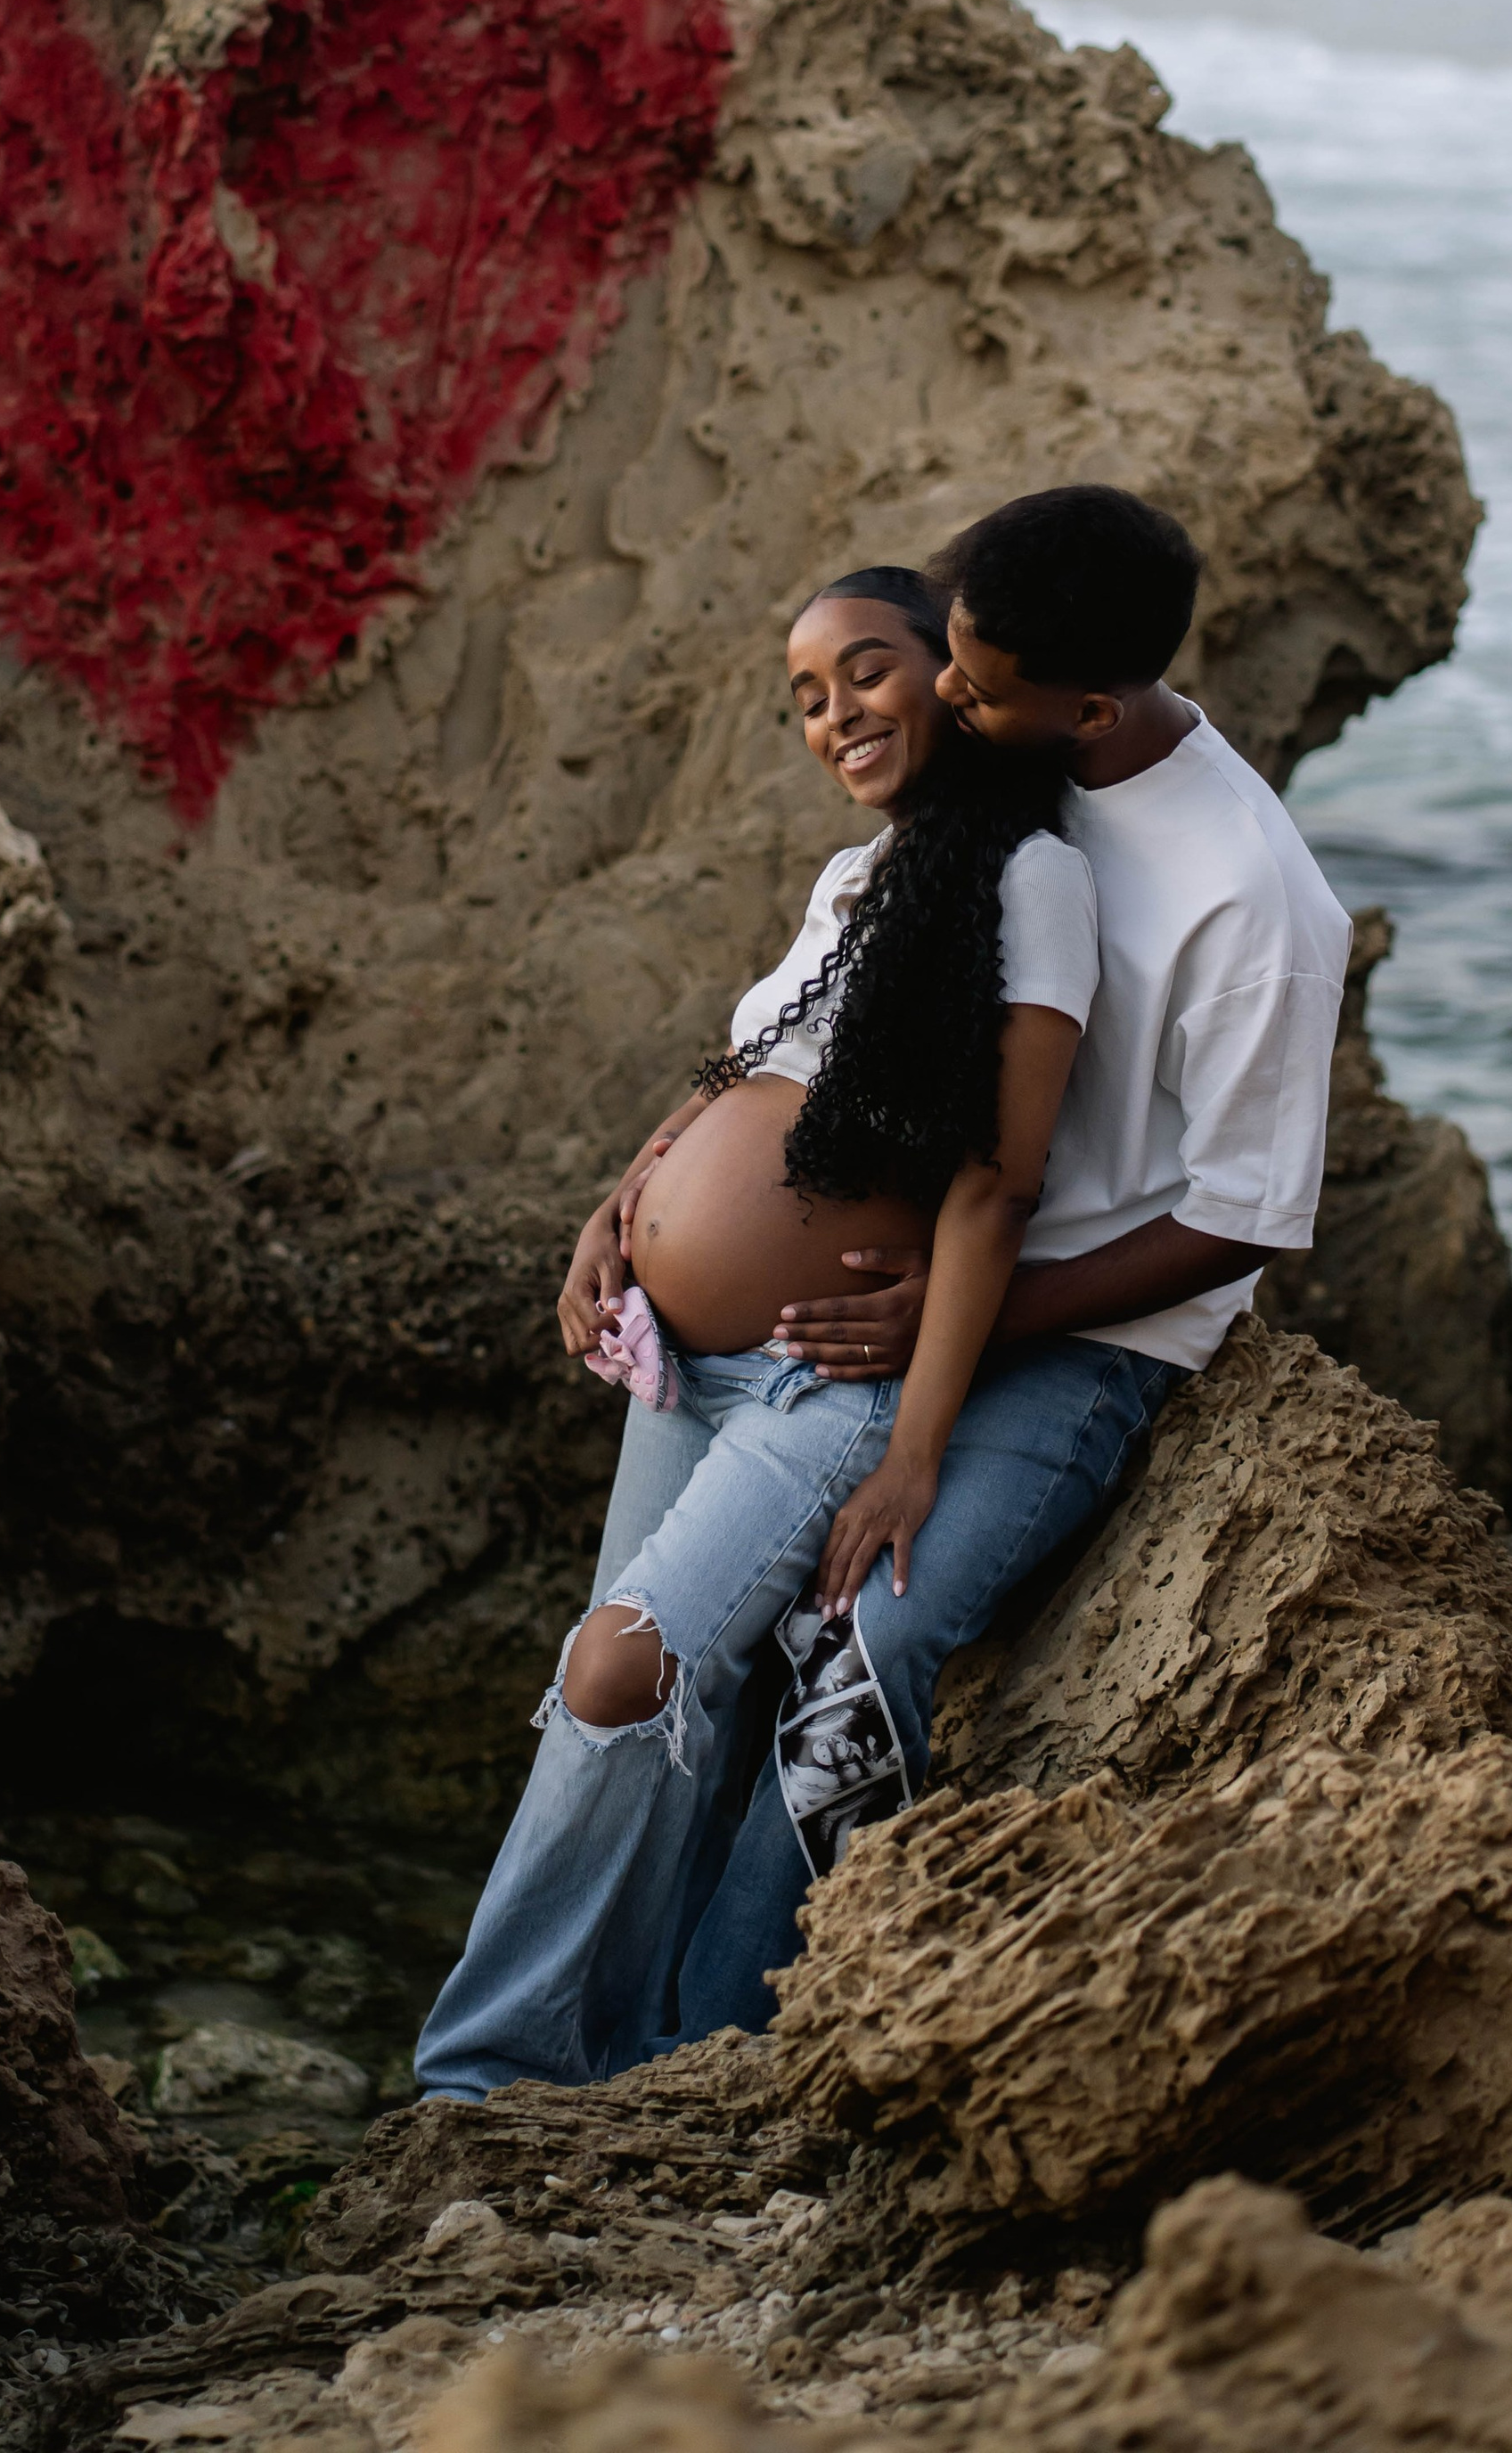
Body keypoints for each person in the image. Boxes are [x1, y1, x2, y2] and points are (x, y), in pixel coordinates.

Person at [667, 483, 1355, 2036]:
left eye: (971, 681)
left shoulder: (1252, 899)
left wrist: (955, 1334)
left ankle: (723, 2047)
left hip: (1094, 1337)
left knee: (867, 1642)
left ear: (1092, 706)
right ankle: (634, 1992)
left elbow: (1244, 1215)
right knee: (733, 1620)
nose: (948, 700)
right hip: (940, 1285)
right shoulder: (1028, 757)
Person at [412, 566, 1099, 2100]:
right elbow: (742, 1072)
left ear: (958, 677)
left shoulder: (1029, 881)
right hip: (678, 1361)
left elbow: (997, 1184)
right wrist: (618, 1210)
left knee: (622, 1671)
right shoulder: (859, 882)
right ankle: (583, 2063)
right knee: (651, 1722)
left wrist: (919, 1445)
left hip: (815, 1377)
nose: (833, 713)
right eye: (804, 696)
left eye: (866, 672)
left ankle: (477, 2073)